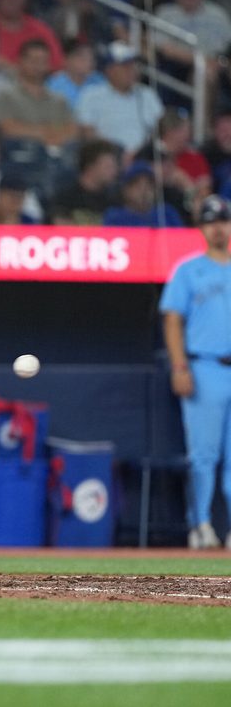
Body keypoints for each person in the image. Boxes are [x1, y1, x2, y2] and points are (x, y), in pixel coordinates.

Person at [159, 195, 231, 550]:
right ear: (201, 228)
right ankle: (200, 524)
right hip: (205, 366)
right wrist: (179, 366)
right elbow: (173, 319)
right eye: (211, 222)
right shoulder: (188, 269)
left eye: (223, 221)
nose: (218, 228)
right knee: (204, 455)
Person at [76, 42, 163, 160]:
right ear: (109, 70)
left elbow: (161, 127)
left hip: (145, 157)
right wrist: (117, 154)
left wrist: (141, 153)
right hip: (109, 157)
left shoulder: (146, 94)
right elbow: (87, 132)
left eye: (133, 66)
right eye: (125, 67)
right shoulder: (92, 95)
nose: (132, 70)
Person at [0, 39, 77, 150]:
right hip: (20, 154)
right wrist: (48, 133)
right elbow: (8, 129)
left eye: (43, 61)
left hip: (57, 154)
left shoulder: (59, 100)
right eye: (33, 60)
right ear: (20, 62)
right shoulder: (6, 96)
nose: (38, 66)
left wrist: (31, 130)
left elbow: (72, 131)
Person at [50, 138, 121, 225]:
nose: (114, 171)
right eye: (108, 166)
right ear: (90, 166)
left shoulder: (113, 203)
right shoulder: (64, 201)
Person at [102, 162, 184, 227]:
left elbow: (182, 241)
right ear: (125, 190)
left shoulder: (166, 213)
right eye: (137, 186)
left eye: (149, 186)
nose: (144, 191)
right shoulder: (115, 216)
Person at [45, 38, 105, 111]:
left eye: (90, 58)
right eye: (82, 58)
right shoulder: (53, 85)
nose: (88, 62)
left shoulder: (99, 81)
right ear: (65, 60)